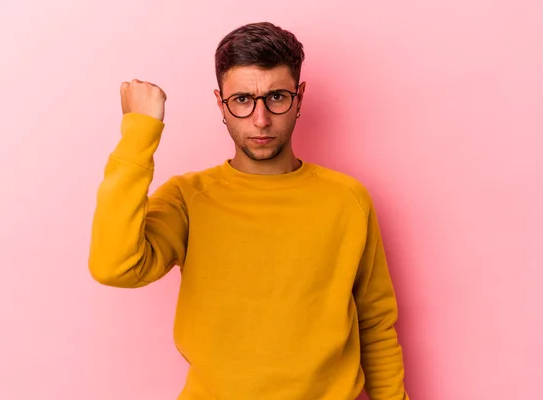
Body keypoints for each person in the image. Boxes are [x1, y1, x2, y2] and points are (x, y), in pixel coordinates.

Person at [88, 21, 409, 400]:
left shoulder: (347, 199)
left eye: (276, 97)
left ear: (299, 96)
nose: (261, 120)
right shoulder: (188, 198)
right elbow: (114, 266)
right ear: (220, 102)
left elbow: (375, 323)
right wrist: (139, 130)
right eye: (242, 100)